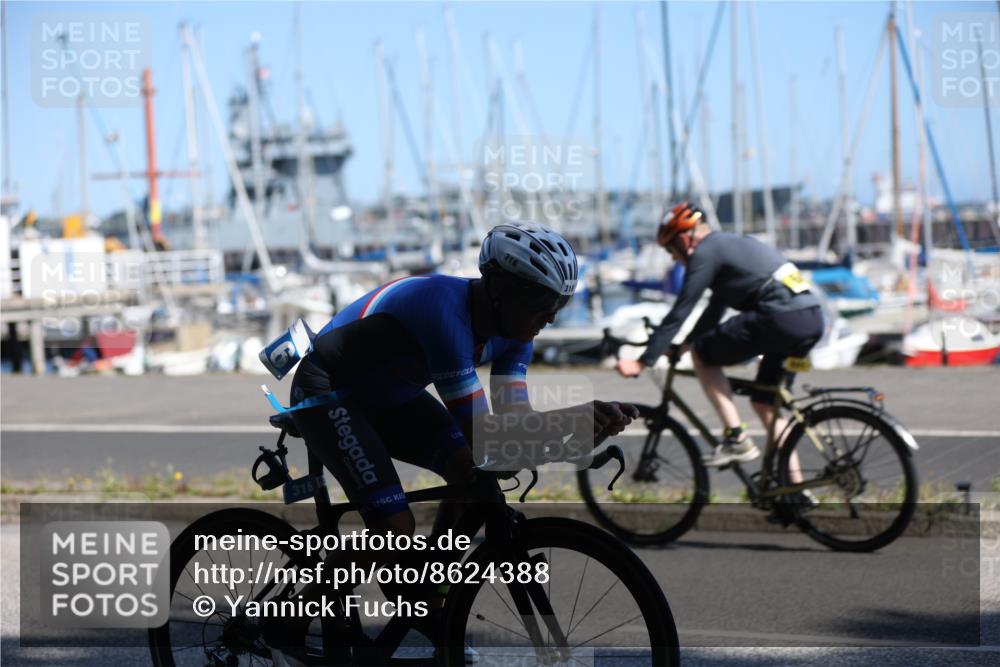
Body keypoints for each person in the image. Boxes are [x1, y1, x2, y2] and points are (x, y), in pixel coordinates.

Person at [269, 222, 637, 666]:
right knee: (395, 529)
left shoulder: (516, 335)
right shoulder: (444, 313)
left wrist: (576, 430)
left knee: (470, 475)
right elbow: (487, 436)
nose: (552, 316)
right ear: (500, 288)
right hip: (327, 392)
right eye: (543, 302)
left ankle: (429, 596)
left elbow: (515, 424)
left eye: (560, 303)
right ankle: (291, 612)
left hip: (391, 398)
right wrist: (573, 420)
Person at [617, 202, 824, 468]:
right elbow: (715, 310)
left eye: (670, 249)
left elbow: (681, 310)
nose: (672, 257)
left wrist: (643, 361)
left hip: (780, 317)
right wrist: (683, 345)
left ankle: (737, 439)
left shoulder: (705, 252)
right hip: (810, 318)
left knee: (703, 355)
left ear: (682, 239)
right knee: (765, 403)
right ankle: (795, 493)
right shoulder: (728, 245)